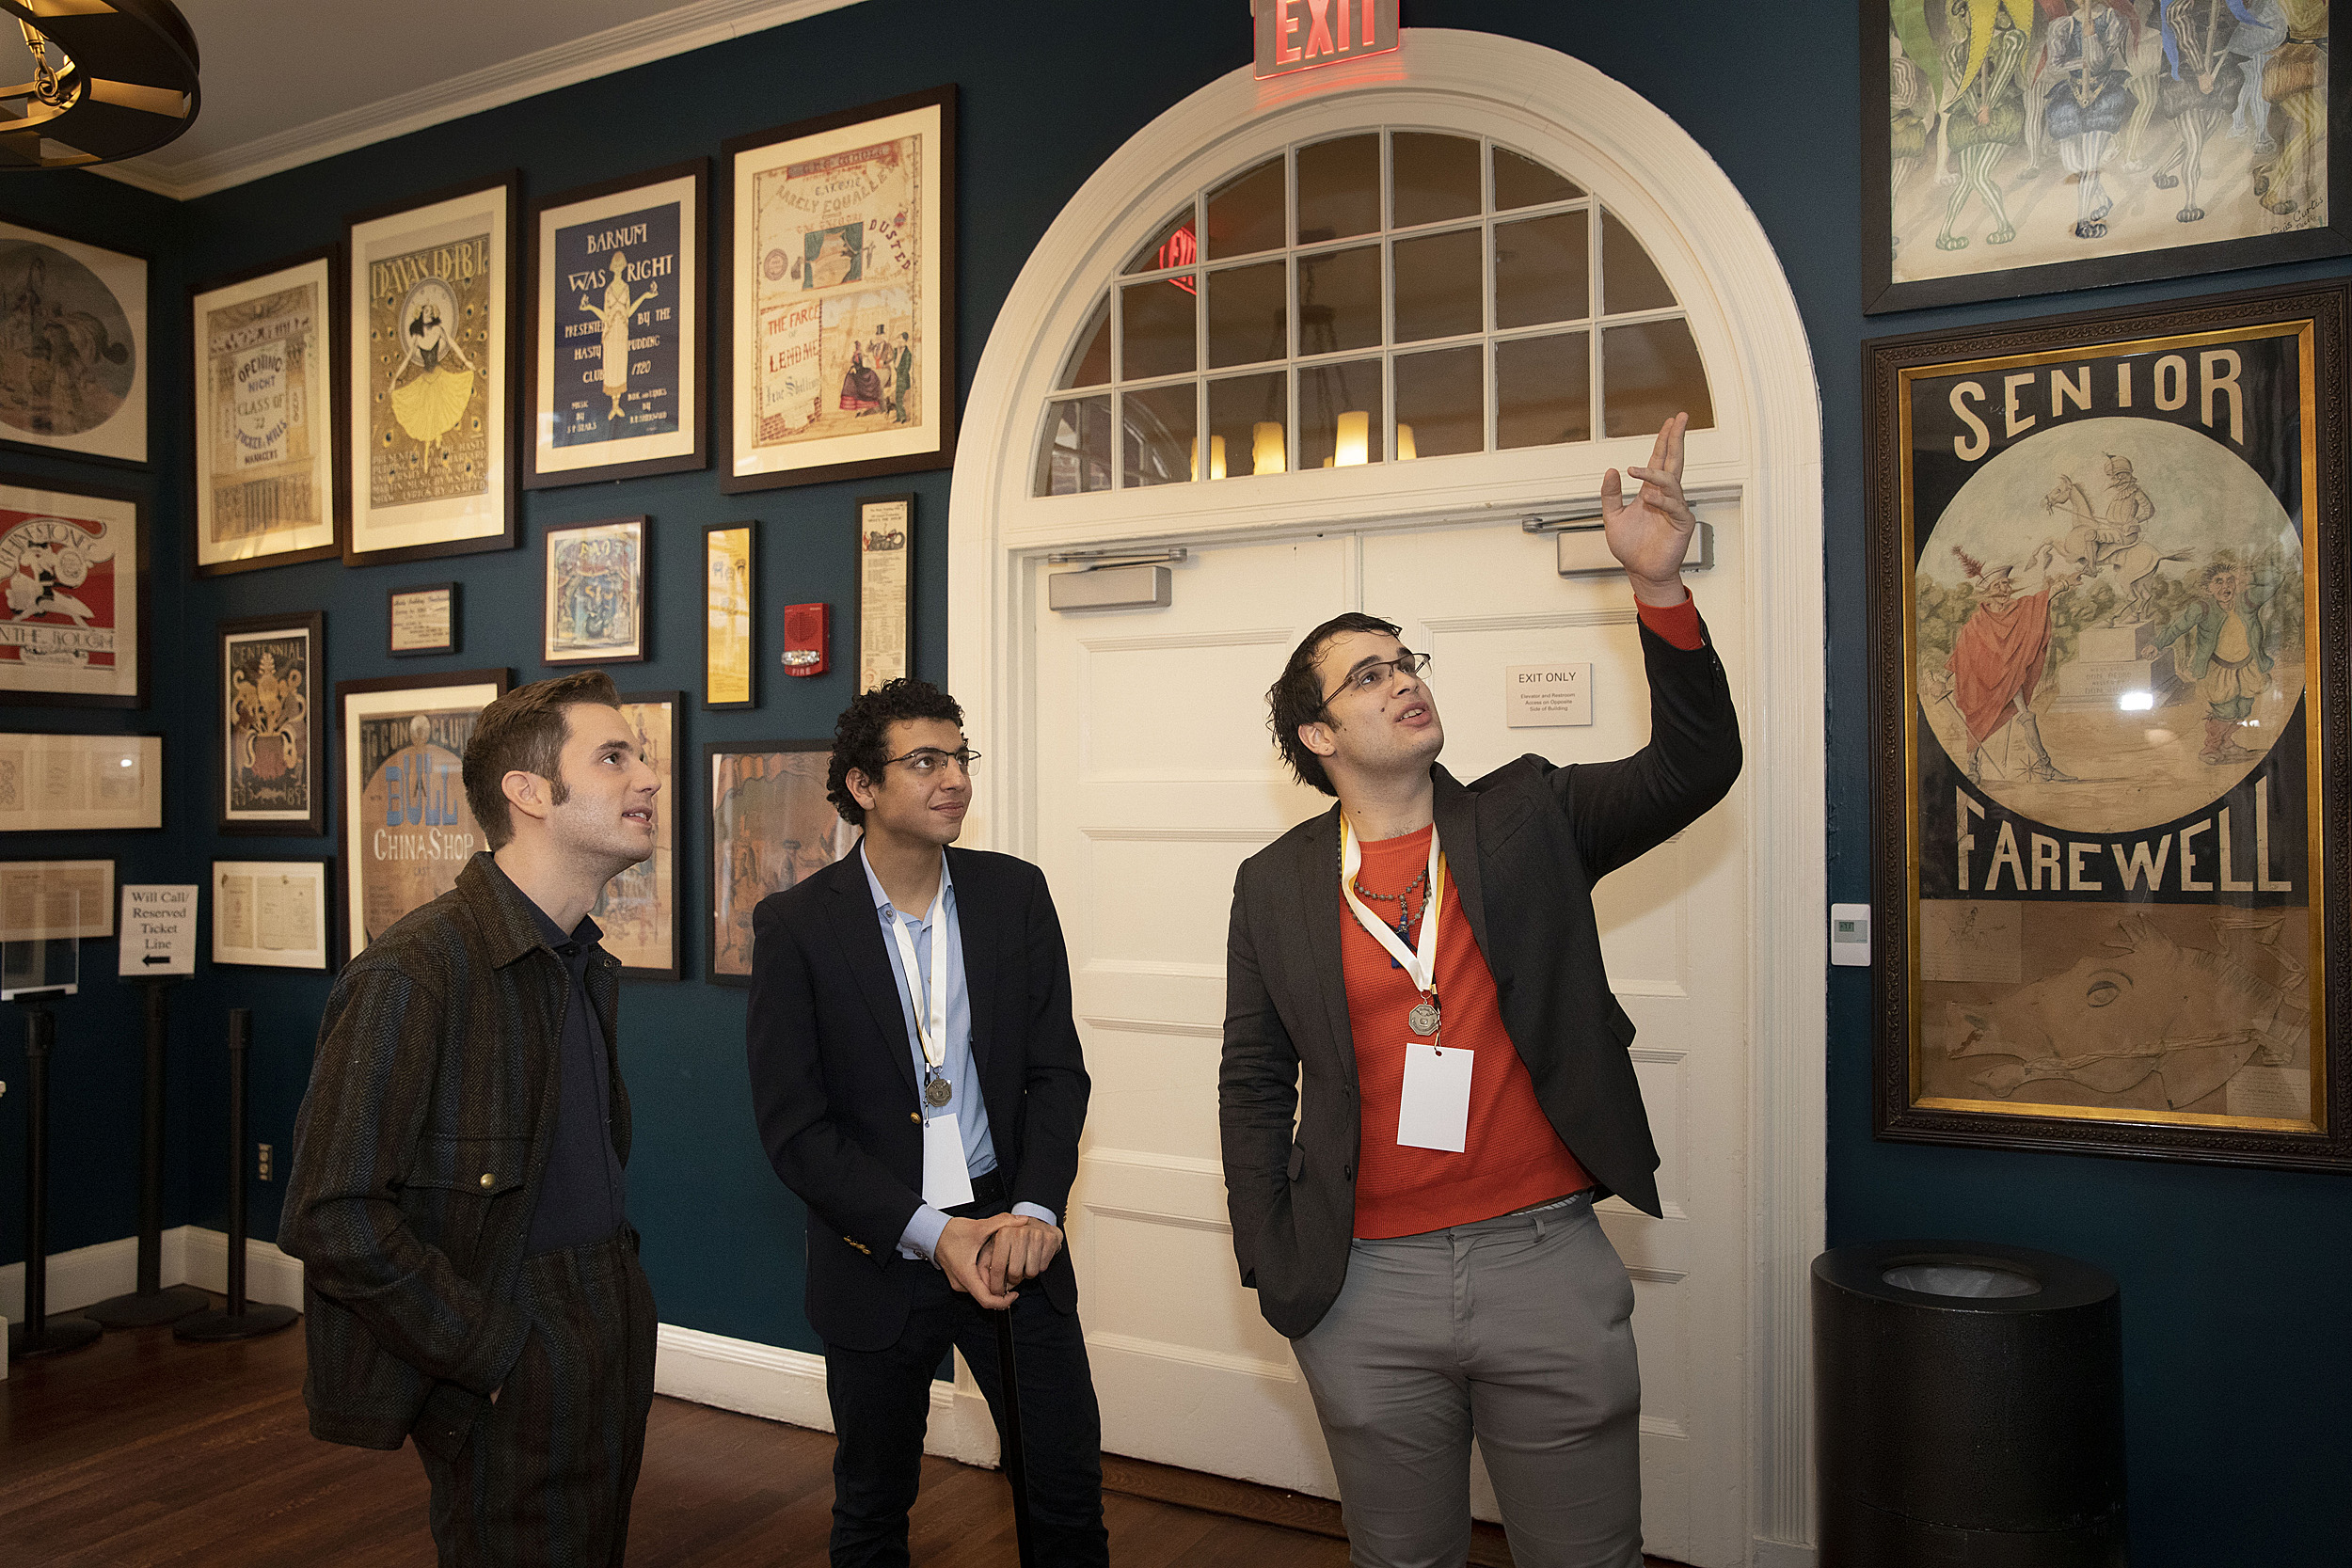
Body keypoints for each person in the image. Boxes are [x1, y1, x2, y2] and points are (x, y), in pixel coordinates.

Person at [1218, 413, 1741, 1568]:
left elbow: (1694, 766)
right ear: (1318, 733)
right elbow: (1252, 1078)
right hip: (1362, 1283)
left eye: (1405, 660)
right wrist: (1271, 1248)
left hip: (1542, 1262)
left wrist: (1659, 589)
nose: (1402, 679)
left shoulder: (1526, 816)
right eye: (1368, 674)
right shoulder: (1274, 884)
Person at [280, 672, 662, 1568]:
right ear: (528, 794)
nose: (647, 776)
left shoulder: (579, 961)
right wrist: (489, 1349)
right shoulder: (413, 972)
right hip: (509, 1336)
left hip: (603, 1318)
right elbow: (329, 1210)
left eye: (639, 755)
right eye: (614, 756)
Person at [747, 678, 1107, 1567]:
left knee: (1065, 1497)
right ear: (863, 788)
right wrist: (928, 1233)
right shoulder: (796, 925)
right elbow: (795, 1128)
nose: (954, 779)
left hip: (1012, 1235)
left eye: (959, 757)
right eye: (925, 761)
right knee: (872, 1506)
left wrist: (1036, 1211)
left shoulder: (1013, 895)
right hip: (878, 1247)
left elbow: (1058, 1073)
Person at [1946, 541, 2081, 784]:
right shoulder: (1974, 625)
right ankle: (1973, 767)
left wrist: (2063, 584)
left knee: (2026, 715)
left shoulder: (2018, 609)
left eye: (2006, 584)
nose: (2004, 590)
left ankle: (2045, 767)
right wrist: (1942, 679)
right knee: (1978, 721)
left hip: (2010, 677)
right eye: (1998, 585)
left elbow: (2041, 600)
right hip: (1981, 683)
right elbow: (1960, 656)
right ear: (1988, 591)